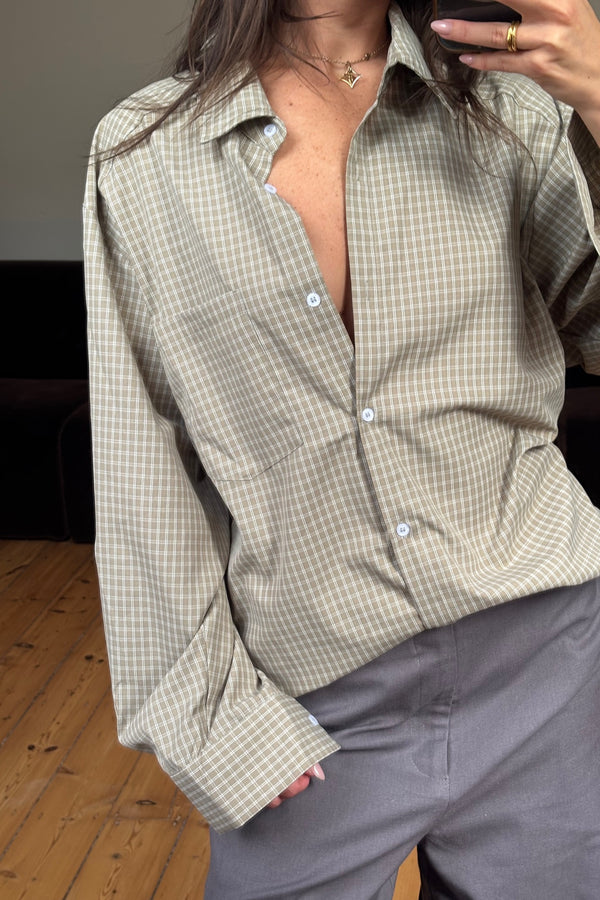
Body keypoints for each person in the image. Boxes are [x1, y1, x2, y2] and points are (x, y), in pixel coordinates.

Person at [83, 1, 600, 896]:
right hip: (316, 696)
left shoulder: (515, 108)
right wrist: (214, 720)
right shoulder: (145, 153)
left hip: (549, 660)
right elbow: (141, 468)